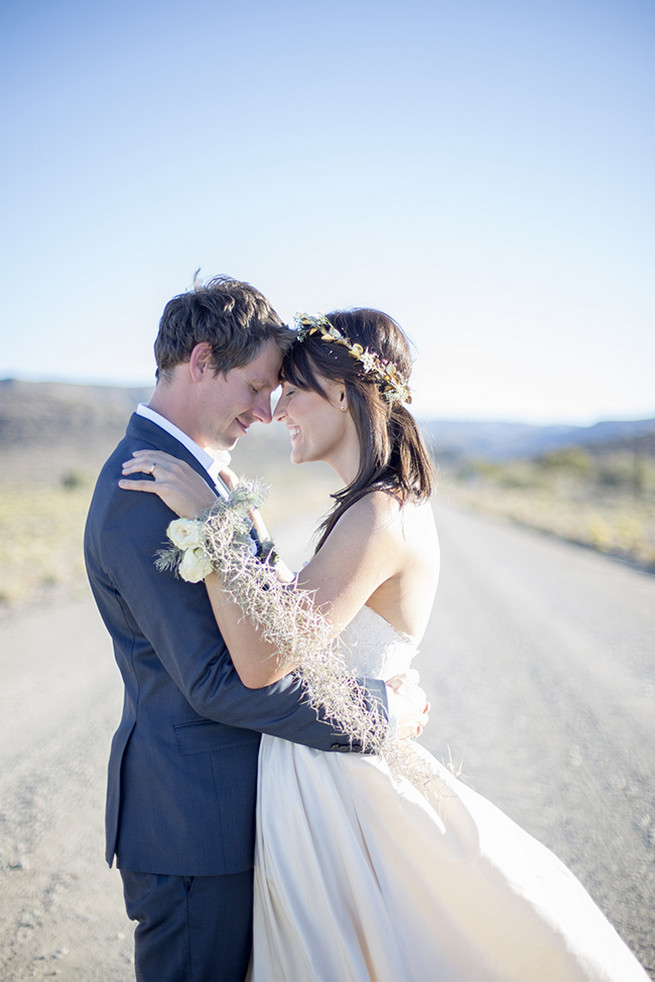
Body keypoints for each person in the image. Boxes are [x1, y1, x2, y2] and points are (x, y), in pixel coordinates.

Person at [121, 306, 650, 981]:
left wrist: (212, 525)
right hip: (322, 774)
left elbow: (261, 661)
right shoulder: (378, 503)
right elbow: (297, 621)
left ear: (342, 392)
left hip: (339, 790)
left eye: (291, 389)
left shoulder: (377, 513)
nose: (275, 407)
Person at [84, 278, 427, 982]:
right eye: (258, 385)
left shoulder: (202, 479)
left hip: (245, 815)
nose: (267, 410)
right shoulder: (143, 490)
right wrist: (379, 713)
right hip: (194, 830)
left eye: (281, 391)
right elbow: (216, 680)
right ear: (203, 360)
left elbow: (268, 623)